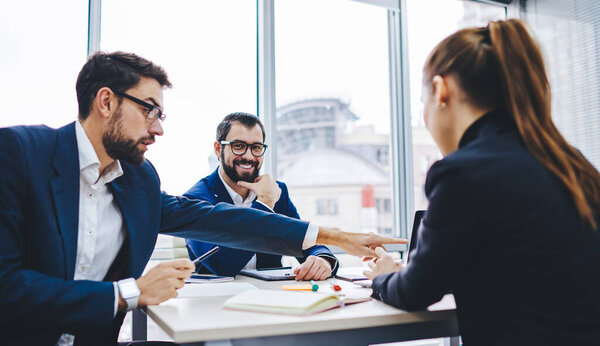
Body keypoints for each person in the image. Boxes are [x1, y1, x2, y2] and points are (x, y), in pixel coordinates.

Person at [0, 51, 404, 345]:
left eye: (162, 116)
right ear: (106, 102)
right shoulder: (19, 154)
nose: (158, 130)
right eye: (149, 111)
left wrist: (338, 238)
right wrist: (131, 292)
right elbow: (7, 287)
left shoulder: (138, 181)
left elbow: (224, 221)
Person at [364, 19, 600, 345]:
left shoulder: (462, 173)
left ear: (440, 90)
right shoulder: (571, 163)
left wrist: (383, 276)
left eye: (423, 104)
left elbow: (414, 291)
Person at [185, 112, 338, 280]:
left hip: (270, 298)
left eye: (256, 147)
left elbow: (304, 239)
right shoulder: (196, 200)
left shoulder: (276, 191)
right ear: (218, 149)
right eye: (238, 146)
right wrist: (264, 204)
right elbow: (222, 265)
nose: (249, 156)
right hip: (216, 300)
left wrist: (323, 259)